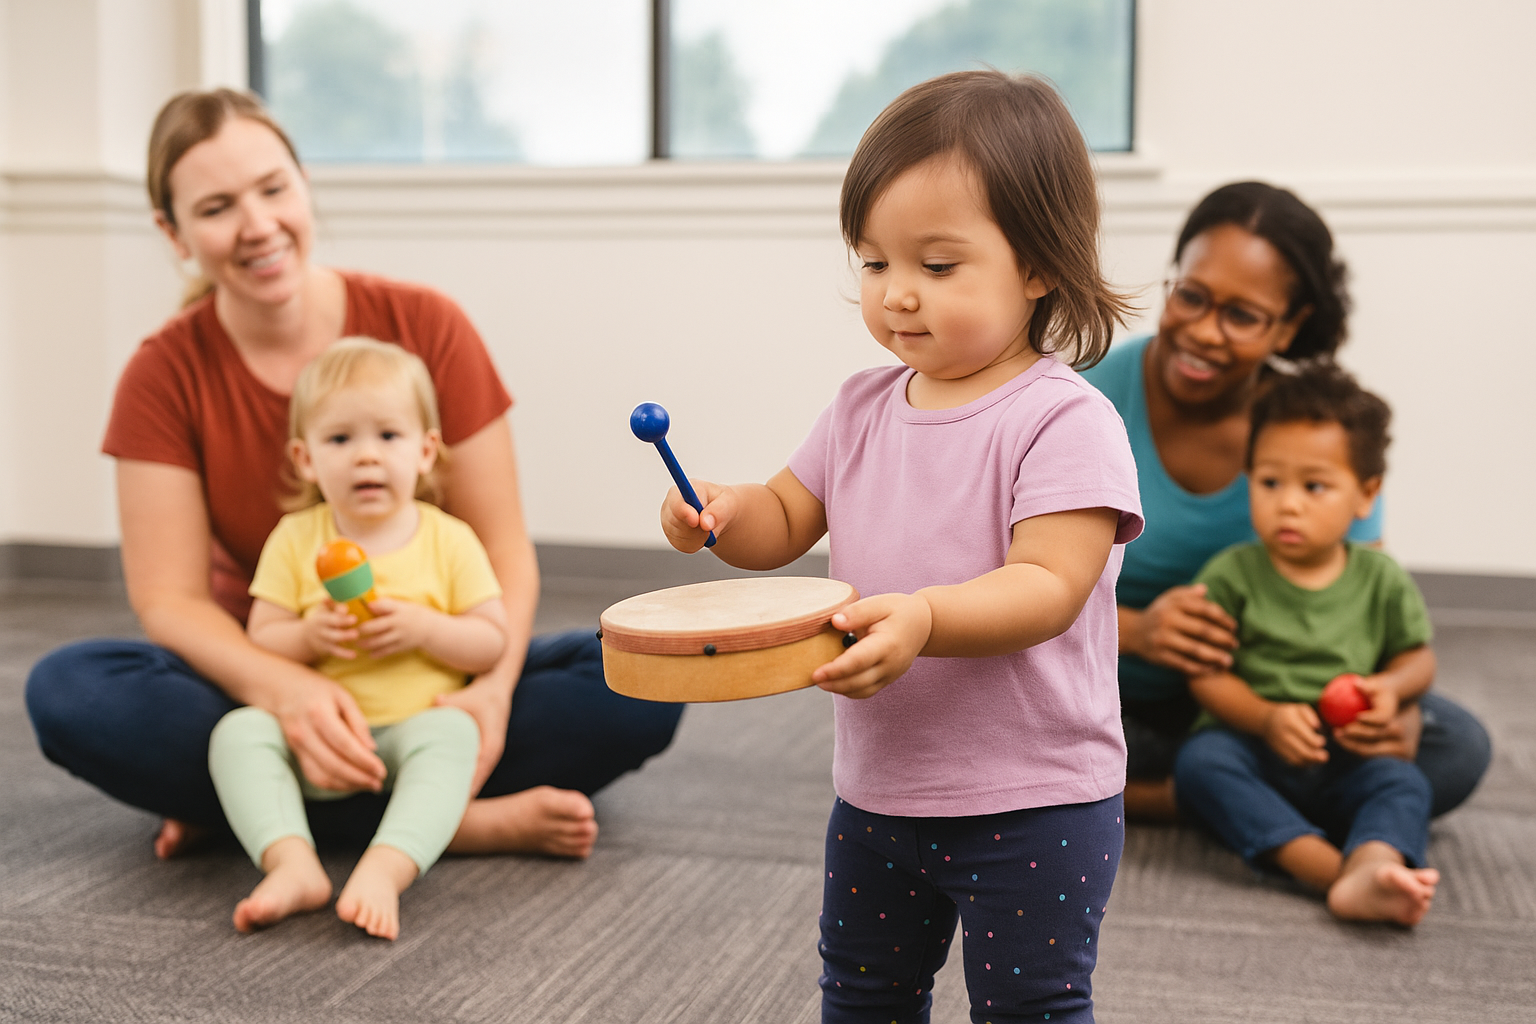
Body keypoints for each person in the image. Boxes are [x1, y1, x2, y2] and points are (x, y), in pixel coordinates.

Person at [25, 88, 681, 862]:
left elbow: (504, 554)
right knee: (71, 689)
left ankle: (261, 814)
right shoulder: (161, 374)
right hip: (272, 678)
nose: (258, 225)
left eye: (274, 189)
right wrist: (287, 691)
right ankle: (453, 822)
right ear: (172, 233)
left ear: (304, 187)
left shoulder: (428, 325)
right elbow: (168, 600)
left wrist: (491, 697)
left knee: (642, 678)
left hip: (432, 679)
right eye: (216, 207)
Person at [658, 71, 1143, 1024]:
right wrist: (719, 510)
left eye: (939, 265)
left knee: (1031, 1010)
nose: (899, 297)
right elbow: (786, 517)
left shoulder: (1065, 421)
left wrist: (924, 615)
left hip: (1036, 801)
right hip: (879, 793)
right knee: (866, 996)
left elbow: (1048, 585)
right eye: (876, 264)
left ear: (1040, 264)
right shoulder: (859, 407)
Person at [1080, 182, 1490, 821]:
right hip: (1105, 690)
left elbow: (1363, 600)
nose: (1203, 333)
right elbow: (1005, 574)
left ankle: (1194, 797)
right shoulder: (1087, 401)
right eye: (1191, 296)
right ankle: (1207, 797)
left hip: (1259, 701)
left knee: (1456, 745)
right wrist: (1141, 631)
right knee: (974, 719)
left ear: (1289, 327)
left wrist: (1392, 711)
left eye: (1242, 315)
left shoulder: (1310, 434)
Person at [212, 339, 506, 940]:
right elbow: (260, 638)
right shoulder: (295, 539)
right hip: (316, 743)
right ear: (305, 459)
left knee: (455, 732)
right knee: (237, 733)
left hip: (413, 728)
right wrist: (307, 634)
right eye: (340, 440)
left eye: (388, 437)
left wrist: (426, 629)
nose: (366, 458)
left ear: (425, 451)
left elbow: (491, 642)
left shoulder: (450, 540)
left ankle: (386, 867)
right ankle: (292, 864)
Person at [1174, 362, 1439, 926]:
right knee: (1202, 763)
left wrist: (1390, 689)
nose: (1288, 503)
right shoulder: (1232, 574)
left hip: (1348, 754)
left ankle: (1376, 859)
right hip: (1256, 747)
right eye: (1270, 483)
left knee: (1403, 780)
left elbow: (1417, 657)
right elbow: (1206, 675)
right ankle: (1331, 871)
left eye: (1314, 486)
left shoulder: (1381, 577)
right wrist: (1267, 719)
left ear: (1365, 495)